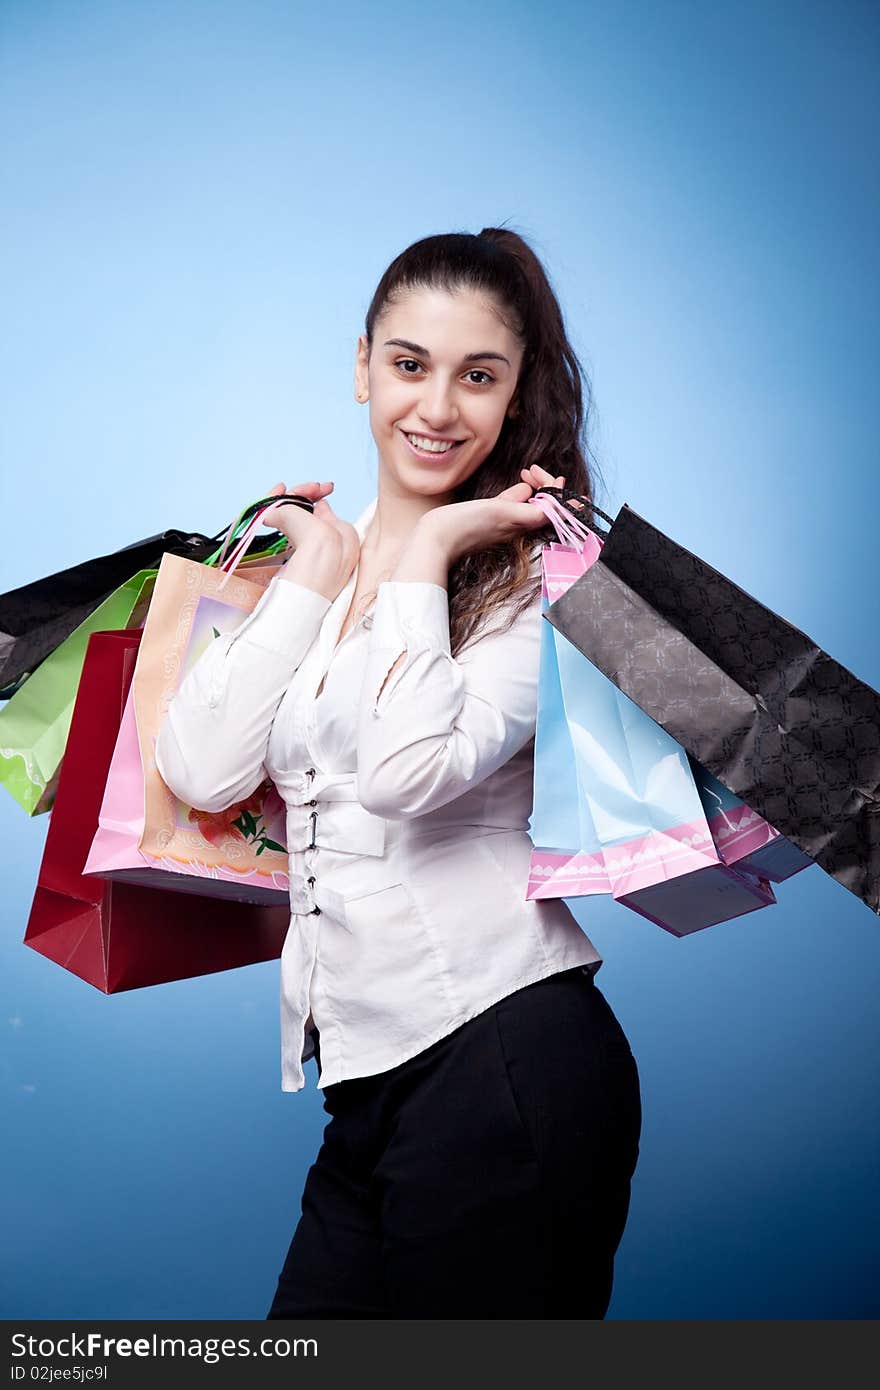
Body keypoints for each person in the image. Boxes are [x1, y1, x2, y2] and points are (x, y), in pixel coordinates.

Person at [155, 227, 642, 1319]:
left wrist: (426, 558)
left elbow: (406, 775)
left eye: (479, 376)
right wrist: (312, 579)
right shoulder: (323, 554)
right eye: (410, 365)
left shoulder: (539, 577)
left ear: (517, 395)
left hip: (508, 1060)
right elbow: (201, 766)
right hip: (367, 1086)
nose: (436, 408)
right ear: (363, 363)